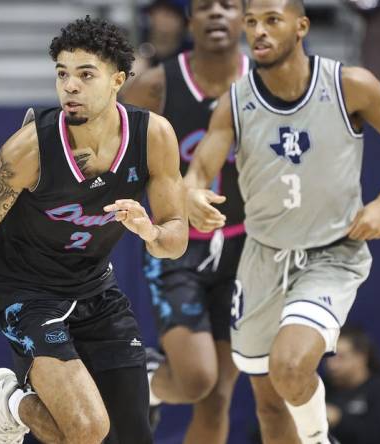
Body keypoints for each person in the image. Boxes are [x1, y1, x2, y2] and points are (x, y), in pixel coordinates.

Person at [0, 17, 187, 444]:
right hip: (27, 294)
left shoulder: (154, 137)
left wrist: (150, 233)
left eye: (85, 74)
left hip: (95, 289)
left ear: (117, 81)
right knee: (88, 429)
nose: (70, 86)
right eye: (62, 74)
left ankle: (14, 404)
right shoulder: (29, 150)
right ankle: (10, 401)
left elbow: (175, 240)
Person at [184, 0, 380, 442]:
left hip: (330, 254)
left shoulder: (348, 84)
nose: (258, 32)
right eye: (252, 23)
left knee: (292, 366)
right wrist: (192, 192)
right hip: (261, 257)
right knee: (269, 402)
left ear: (301, 26)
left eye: (272, 21)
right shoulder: (236, 102)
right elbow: (199, 169)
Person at [121, 0, 250, 442]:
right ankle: (151, 381)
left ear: (246, 18)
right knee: (197, 380)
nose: (216, 13)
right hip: (178, 245)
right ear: (189, 20)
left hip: (245, 247)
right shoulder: (157, 86)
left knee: (218, 397)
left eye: (229, 4)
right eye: (204, 6)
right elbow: (110, 149)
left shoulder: (263, 83)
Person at [324, 325, 380, 444]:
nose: (332, 365)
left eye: (341, 357)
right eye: (327, 357)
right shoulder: (319, 389)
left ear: (361, 356)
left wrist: (339, 420)